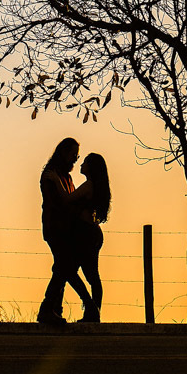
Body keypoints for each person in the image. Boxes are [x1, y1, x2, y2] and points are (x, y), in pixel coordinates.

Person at [37, 137, 95, 326]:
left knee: (62, 268)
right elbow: (60, 203)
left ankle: (52, 308)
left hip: (65, 229)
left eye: (77, 157)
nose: (75, 159)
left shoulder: (65, 177)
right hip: (56, 228)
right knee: (65, 268)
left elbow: (70, 201)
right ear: (64, 153)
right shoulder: (50, 175)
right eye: (73, 155)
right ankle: (82, 304)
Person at [68, 152, 111, 322]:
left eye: (85, 162)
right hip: (92, 232)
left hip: (85, 233)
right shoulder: (95, 187)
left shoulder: (88, 186)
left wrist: (57, 183)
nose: (81, 164)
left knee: (70, 271)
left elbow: (67, 199)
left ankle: (91, 308)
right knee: (92, 275)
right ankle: (94, 312)